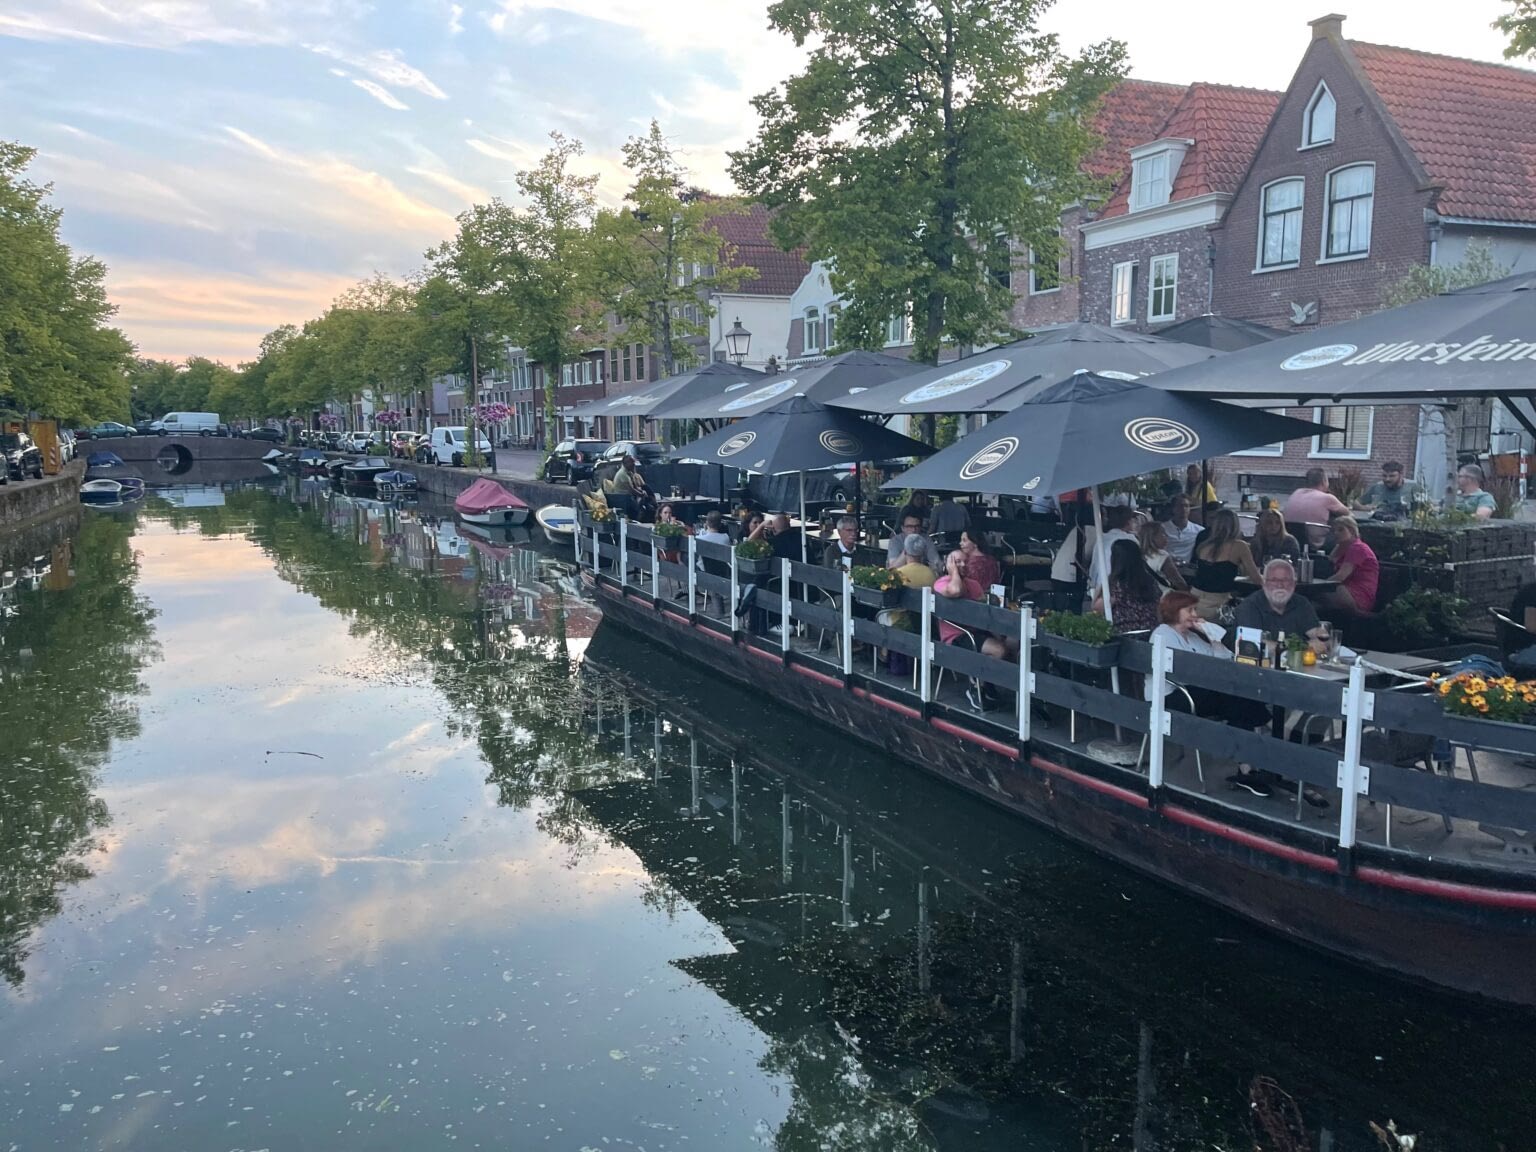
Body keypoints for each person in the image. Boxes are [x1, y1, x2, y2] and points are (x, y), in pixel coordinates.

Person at [1149, 591, 1274, 795]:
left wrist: (1211, 636)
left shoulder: (1192, 637)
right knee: (1238, 700)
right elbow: (1183, 673)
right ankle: (1265, 742)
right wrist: (1212, 672)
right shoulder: (1162, 634)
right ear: (1174, 611)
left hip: (1201, 689)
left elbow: (1226, 659)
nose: (1194, 614)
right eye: (1189, 610)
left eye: (1194, 609)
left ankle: (1247, 767)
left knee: (1240, 701)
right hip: (1173, 694)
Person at [1189, 508, 1261, 620]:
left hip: (1194, 599)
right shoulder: (1239, 546)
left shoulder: (1203, 546)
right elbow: (1256, 578)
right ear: (1235, 525)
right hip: (1217, 603)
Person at [1232, 559, 1325, 643]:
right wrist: (1305, 647)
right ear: (1264, 583)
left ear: (1294, 584)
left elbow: (1317, 635)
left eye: (1285, 580)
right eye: (1274, 580)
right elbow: (1256, 644)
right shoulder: (1249, 607)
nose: (1280, 585)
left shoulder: (1301, 603)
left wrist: (1321, 638)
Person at [1092, 538, 1163, 634]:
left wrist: (1098, 590)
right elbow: (1158, 607)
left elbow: (1098, 608)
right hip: (1150, 631)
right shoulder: (1150, 580)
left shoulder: (1115, 583)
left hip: (1124, 633)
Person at [1283, 467, 1349, 547]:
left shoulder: (1296, 493)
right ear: (1324, 481)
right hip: (1317, 543)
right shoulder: (1327, 498)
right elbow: (1348, 514)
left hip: (1292, 540)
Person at [1327, 515, 1379, 615]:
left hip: (1359, 595)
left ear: (1352, 530)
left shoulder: (1358, 548)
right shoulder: (1344, 548)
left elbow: (1341, 576)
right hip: (1345, 590)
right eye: (1334, 531)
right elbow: (1328, 563)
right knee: (1313, 603)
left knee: (1316, 593)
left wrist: (1318, 586)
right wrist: (1338, 547)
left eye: (1341, 530)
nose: (1336, 533)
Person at [1049, 503, 1095, 612]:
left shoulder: (1077, 529)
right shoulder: (1095, 533)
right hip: (1071, 576)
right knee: (1074, 608)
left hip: (1056, 573)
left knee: (1059, 608)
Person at [1087, 504, 1140, 590]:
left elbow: (1094, 565)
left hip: (1099, 585)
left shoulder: (1101, 538)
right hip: (1121, 587)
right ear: (1129, 522)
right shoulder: (1130, 540)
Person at [1355, 461, 1423, 519]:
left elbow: (1426, 508)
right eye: (1384, 476)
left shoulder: (1413, 487)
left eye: (1392, 476)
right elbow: (1356, 503)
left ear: (1401, 474)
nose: (1387, 479)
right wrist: (1365, 508)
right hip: (1378, 523)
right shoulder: (1377, 487)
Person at [1138, 520, 1187, 590]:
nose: (1167, 535)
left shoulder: (1138, 555)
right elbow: (1177, 580)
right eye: (1163, 533)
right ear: (1153, 537)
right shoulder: (1162, 555)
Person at [1159, 495, 1202, 565]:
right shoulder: (1161, 528)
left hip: (1187, 568)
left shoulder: (1198, 530)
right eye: (1180, 506)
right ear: (1173, 509)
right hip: (1165, 565)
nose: (1183, 509)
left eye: (1186, 506)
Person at [958, 528, 1001, 592]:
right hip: (992, 598)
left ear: (975, 544)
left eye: (964, 540)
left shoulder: (968, 564)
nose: (960, 543)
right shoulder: (992, 560)